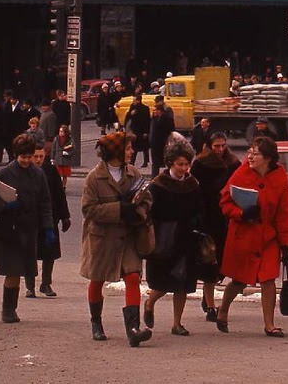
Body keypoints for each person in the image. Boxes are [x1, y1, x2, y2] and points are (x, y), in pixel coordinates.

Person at [80, 131, 153, 346]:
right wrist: (119, 209)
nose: (132, 152)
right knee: (97, 279)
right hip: (102, 238)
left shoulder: (133, 173)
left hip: (127, 236)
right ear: (116, 152)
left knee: (133, 277)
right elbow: (89, 210)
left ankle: (133, 329)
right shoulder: (94, 178)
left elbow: (147, 199)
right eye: (128, 148)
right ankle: (96, 323)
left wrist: (138, 212)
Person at [216, 136, 288, 337]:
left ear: (268, 158)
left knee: (268, 280)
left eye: (255, 153)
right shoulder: (241, 173)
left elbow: (284, 213)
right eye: (249, 152)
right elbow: (225, 203)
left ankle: (269, 325)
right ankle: (223, 310)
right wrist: (242, 213)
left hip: (268, 238)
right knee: (239, 281)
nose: (249, 156)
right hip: (245, 237)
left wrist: (285, 244)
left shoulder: (279, 177)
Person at [0, 134, 55, 324]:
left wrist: (48, 228)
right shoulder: (5, 173)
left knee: (23, 268)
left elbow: (45, 202)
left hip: (29, 228)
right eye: (23, 157)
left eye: (29, 157)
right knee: (13, 269)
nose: (26, 160)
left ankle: (11, 308)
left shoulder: (38, 174)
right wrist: (4, 206)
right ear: (16, 155)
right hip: (10, 228)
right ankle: (8, 309)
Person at [143, 133, 203, 336]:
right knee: (163, 283)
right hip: (165, 239)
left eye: (187, 164)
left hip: (187, 238)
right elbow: (151, 213)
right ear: (170, 163)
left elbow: (199, 208)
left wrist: (196, 222)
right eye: (180, 164)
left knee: (183, 284)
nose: (184, 168)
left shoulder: (193, 184)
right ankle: (150, 302)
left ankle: (177, 323)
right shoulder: (158, 185)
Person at [189, 131, 241, 321]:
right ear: (210, 146)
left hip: (227, 219)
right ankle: (210, 306)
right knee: (209, 263)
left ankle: (208, 297)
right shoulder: (201, 164)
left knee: (224, 263)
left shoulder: (233, 163)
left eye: (223, 145)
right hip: (208, 219)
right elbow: (195, 190)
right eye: (216, 146)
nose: (220, 149)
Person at [25, 144, 71, 298]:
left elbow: (59, 194)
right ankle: (30, 286)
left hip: (49, 218)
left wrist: (65, 216)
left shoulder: (51, 171)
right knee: (30, 253)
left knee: (49, 253)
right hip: (30, 219)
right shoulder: (25, 171)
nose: (38, 160)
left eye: (41, 156)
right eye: (35, 157)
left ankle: (46, 283)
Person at [148, 95, 175, 177]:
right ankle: (154, 178)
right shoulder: (154, 118)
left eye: (155, 110)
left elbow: (171, 129)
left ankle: (170, 176)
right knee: (155, 162)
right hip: (155, 143)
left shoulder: (166, 116)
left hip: (163, 143)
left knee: (167, 161)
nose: (154, 112)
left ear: (160, 111)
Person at [124, 94, 151, 167]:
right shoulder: (132, 107)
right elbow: (128, 117)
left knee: (145, 147)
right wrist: (131, 113)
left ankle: (145, 161)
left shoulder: (145, 108)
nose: (133, 101)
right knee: (134, 146)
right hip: (135, 129)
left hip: (142, 130)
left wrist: (146, 131)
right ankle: (132, 161)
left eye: (134, 100)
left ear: (138, 100)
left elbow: (147, 120)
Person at [53, 124, 75, 188]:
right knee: (58, 174)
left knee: (65, 175)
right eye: (60, 131)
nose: (60, 133)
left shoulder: (69, 139)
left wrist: (68, 153)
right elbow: (53, 149)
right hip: (58, 159)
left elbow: (73, 149)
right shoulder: (56, 139)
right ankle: (59, 186)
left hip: (66, 160)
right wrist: (52, 158)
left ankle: (63, 186)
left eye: (62, 131)